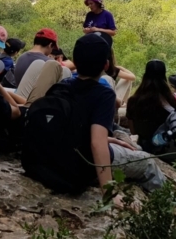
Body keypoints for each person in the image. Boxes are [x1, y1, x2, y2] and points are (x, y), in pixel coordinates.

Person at [60, 34, 166, 197]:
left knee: (132, 147)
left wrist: (110, 139)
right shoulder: (104, 94)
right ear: (106, 64)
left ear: (75, 61)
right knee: (147, 161)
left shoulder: (62, 85)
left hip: (61, 156)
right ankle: (166, 209)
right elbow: (96, 144)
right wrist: (108, 193)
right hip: (85, 162)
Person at [126, 60, 176, 150]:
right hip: (166, 149)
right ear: (164, 76)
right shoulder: (171, 101)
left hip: (143, 147)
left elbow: (133, 131)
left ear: (145, 76)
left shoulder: (133, 101)